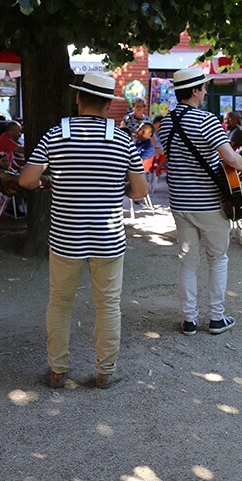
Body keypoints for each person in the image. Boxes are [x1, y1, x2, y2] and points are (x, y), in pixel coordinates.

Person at [19, 71, 148, 389]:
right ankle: (106, 372)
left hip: (66, 236)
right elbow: (140, 190)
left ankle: (58, 371)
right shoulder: (122, 140)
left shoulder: (55, 135)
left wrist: (45, 183)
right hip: (108, 237)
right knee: (108, 305)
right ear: (109, 105)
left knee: (60, 303)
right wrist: (118, 191)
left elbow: (26, 179)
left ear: (77, 98)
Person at [157, 67, 242, 336]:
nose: (206, 91)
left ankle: (189, 320)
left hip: (180, 203)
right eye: (204, 87)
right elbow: (230, 157)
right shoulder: (205, 120)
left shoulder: (166, 124)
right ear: (196, 90)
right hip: (209, 204)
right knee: (218, 258)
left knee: (187, 261)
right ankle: (217, 318)